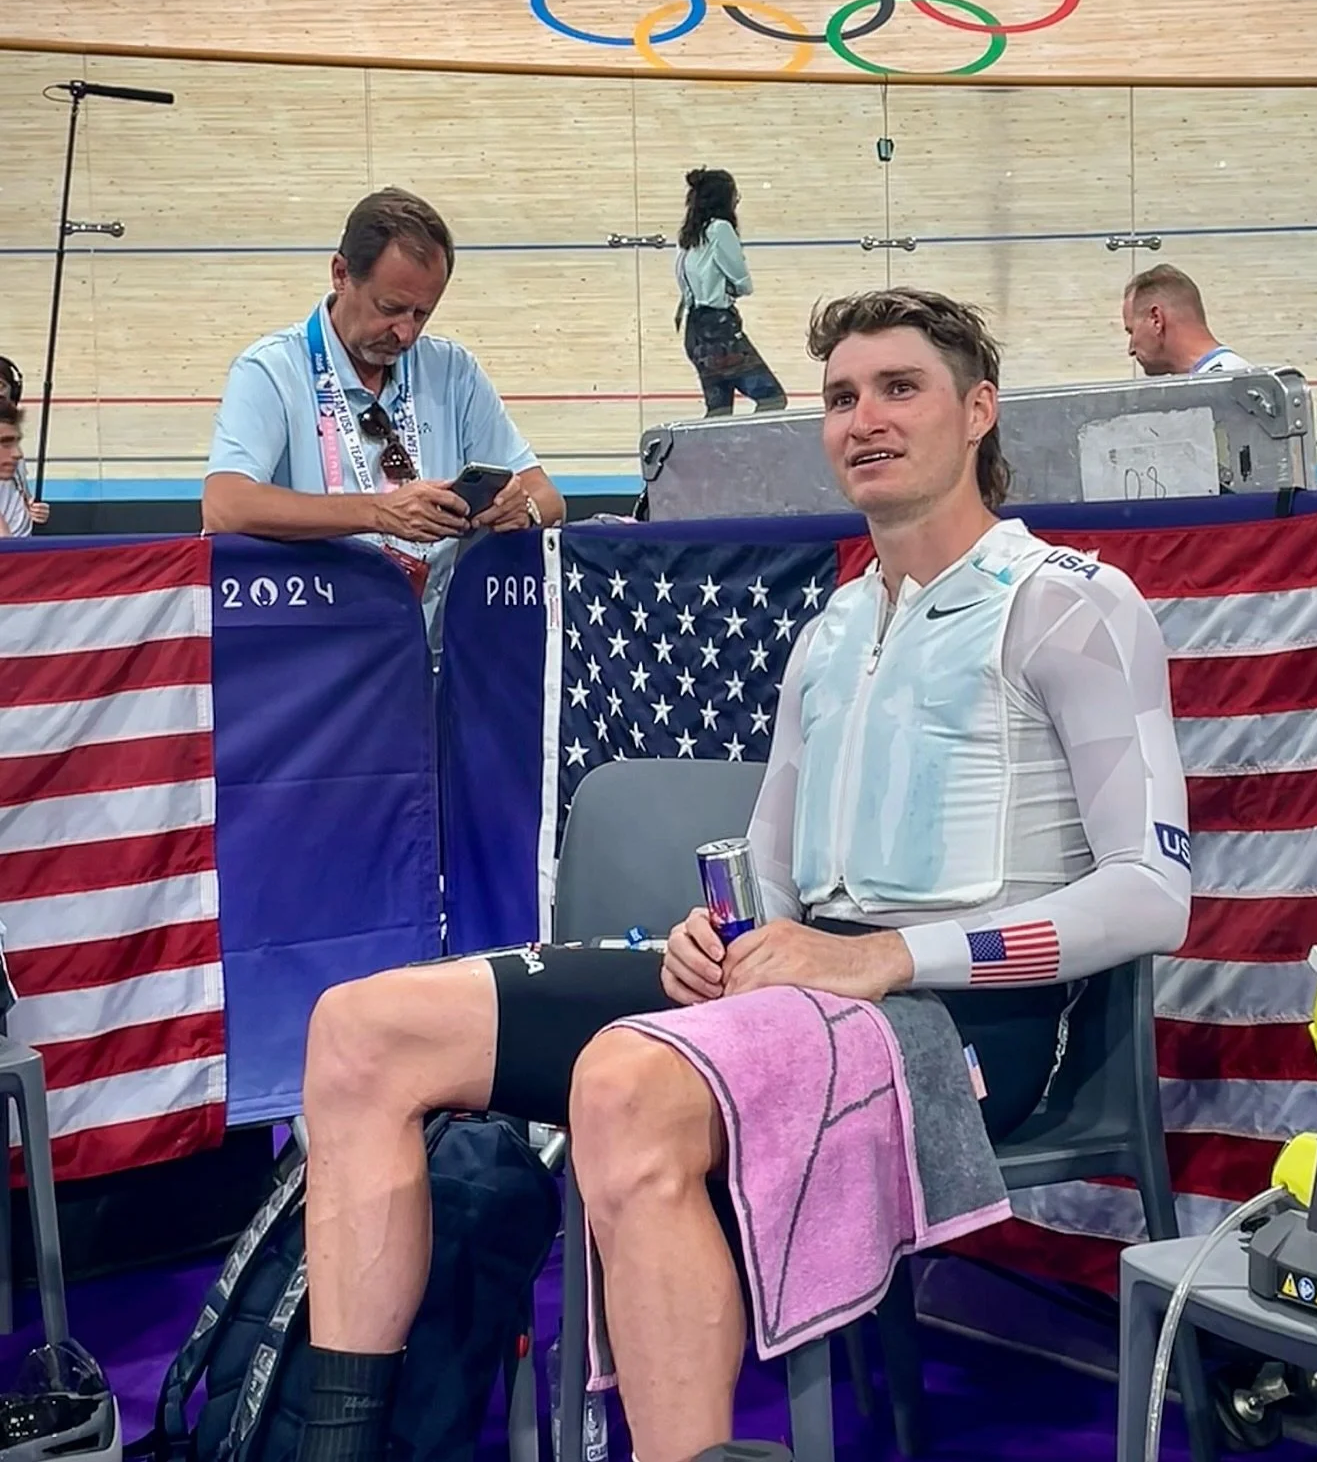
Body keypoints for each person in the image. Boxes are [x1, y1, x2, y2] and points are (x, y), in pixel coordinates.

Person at [296, 286, 1191, 1462]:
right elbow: (766, 876)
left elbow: (1151, 891)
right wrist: (707, 932)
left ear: (978, 411)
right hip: (797, 985)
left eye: (900, 388)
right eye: (841, 397)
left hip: (973, 1019)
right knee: (362, 1030)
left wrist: (887, 956)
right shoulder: (831, 630)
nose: (865, 418)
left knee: (625, 1080)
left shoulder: (1073, 604)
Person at [203, 187, 563, 643]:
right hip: (313, 657)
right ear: (341, 274)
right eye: (390, 309)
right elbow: (226, 506)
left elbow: (549, 498)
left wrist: (522, 508)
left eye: (422, 314)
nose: (406, 333)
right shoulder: (271, 370)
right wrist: (379, 513)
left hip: (427, 655)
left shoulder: (452, 371)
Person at [674, 167, 787, 419]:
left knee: (719, 412)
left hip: (695, 332)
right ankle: (750, 444)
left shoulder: (688, 236)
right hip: (720, 331)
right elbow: (742, 281)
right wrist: (735, 288)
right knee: (772, 398)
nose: (737, 200)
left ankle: (712, 447)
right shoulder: (720, 229)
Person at [1123, 264, 1249, 377]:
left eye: (1132, 331)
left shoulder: (1223, 386)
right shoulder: (1236, 378)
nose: (1131, 350)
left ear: (1156, 320)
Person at [0, 360, 48, 535]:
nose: (17, 453)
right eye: (5, 442)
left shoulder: (11, 454)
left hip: (25, 542)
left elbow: (21, 490)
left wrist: (31, 506)